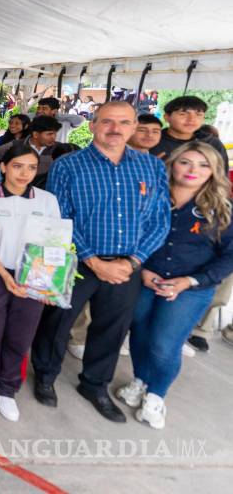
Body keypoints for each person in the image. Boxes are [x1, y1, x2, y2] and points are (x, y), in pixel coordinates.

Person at [31, 102, 171, 423]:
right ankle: (45, 375)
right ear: (93, 125)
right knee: (57, 323)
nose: (115, 129)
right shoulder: (69, 165)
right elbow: (60, 216)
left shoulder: (151, 167)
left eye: (124, 122)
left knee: (112, 329)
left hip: (126, 266)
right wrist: (93, 260)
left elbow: (160, 220)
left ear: (133, 127)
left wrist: (134, 261)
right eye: (107, 121)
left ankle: (95, 384)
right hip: (76, 260)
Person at [116, 142, 233, 429]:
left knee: (164, 345)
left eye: (203, 165)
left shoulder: (221, 209)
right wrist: (141, 269)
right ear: (172, 164)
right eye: (186, 162)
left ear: (213, 171)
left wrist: (190, 281)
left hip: (190, 289)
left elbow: (229, 256)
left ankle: (156, 396)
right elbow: (129, 234)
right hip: (145, 278)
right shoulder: (151, 197)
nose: (193, 170)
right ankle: (140, 381)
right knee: (140, 334)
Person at [0, 145, 60, 421]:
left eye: (31, 168)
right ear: (3, 167)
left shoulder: (47, 201)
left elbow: (53, 243)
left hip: (34, 275)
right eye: (17, 166)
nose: (24, 173)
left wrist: (49, 283)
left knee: (20, 336)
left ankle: (7, 389)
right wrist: (5, 275)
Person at [149, 96, 228, 173]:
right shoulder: (151, 141)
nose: (191, 119)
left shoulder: (211, 143)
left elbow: (222, 176)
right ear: (167, 117)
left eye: (198, 114)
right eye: (183, 114)